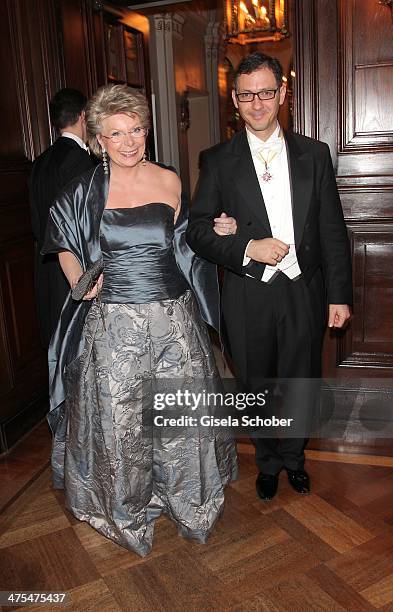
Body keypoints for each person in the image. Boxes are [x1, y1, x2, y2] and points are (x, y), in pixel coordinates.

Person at [42, 84, 238, 556]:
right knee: (122, 421)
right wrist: (80, 283)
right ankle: (127, 509)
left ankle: (188, 500)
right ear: (98, 140)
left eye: (137, 130)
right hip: (114, 326)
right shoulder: (85, 190)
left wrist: (217, 231)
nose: (129, 142)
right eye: (116, 134)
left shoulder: (169, 180)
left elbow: (185, 245)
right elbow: (64, 243)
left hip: (175, 320)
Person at [186, 52, 352, 502]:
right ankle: (268, 461)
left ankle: (295, 460)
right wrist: (246, 248)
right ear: (234, 102)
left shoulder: (314, 155)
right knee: (253, 382)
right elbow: (197, 231)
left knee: (301, 380)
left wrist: (339, 294)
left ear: (282, 93)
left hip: (304, 289)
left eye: (265, 92)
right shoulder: (217, 160)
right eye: (246, 95)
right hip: (246, 293)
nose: (256, 103)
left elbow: (333, 230)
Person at [30, 88, 94, 348]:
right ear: (83, 116)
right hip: (76, 269)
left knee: (57, 344)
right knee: (81, 345)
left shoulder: (39, 162)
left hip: (45, 267)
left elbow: (36, 222)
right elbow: (88, 225)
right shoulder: (82, 161)